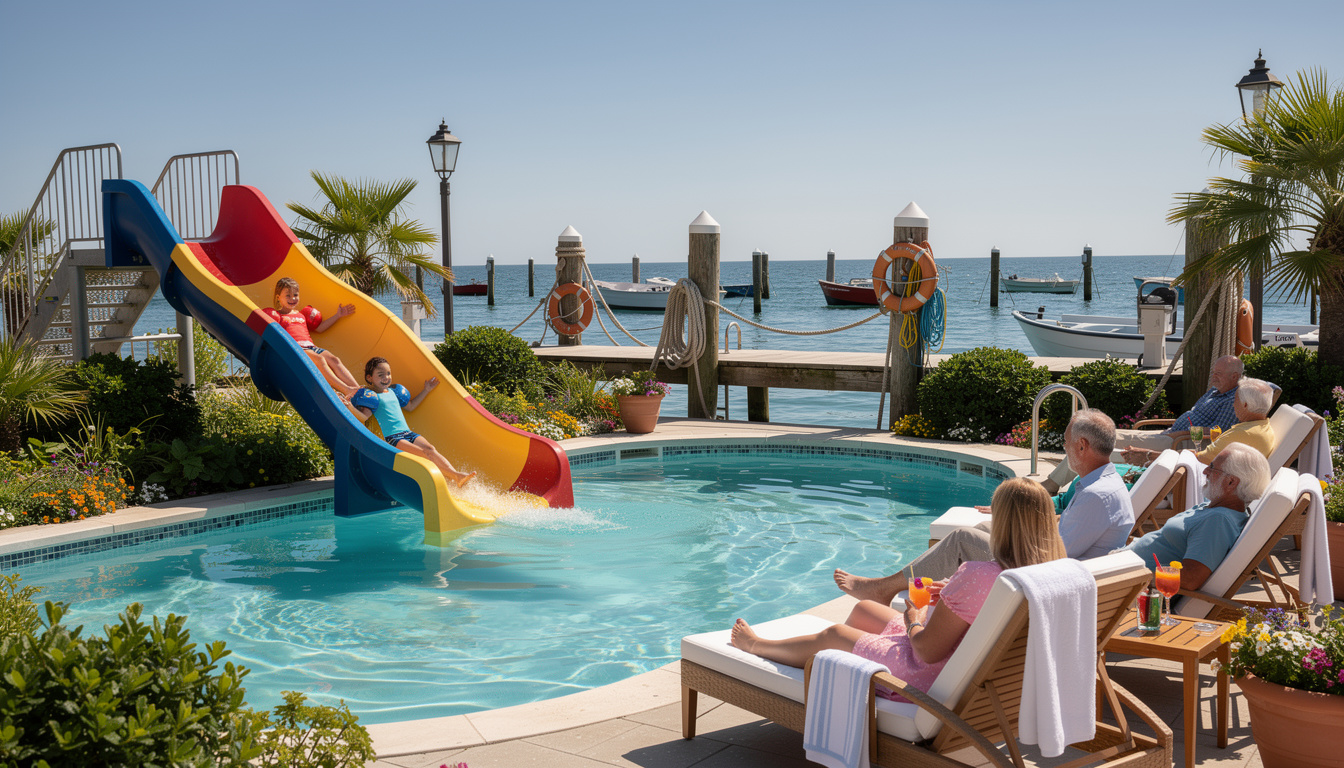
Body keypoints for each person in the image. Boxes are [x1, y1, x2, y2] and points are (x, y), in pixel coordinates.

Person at [731, 478, 1066, 699]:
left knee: (833, 634)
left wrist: (913, 616)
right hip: (976, 666)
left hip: (930, 677)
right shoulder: (1051, 572)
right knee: (864, 609)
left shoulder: (980, 575)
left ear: (1003, 523)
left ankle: (757, 645)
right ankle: (843, 681)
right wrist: (950, 592)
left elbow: (926, 650)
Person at [834, 409, 1133, 605]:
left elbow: (1056, 554)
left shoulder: (1096, 495)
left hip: (1045, 581)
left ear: (1082, 446)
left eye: (1066, 443)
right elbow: (1067, 538)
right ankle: (948, 590)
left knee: (961, 539)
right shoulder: (1102, 484)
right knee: (981, 530)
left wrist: (1025, 526)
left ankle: (883, 590)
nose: (1063, 449)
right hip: (1059, 572)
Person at [1043, 355, 1246, 492]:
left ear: (1235, 377)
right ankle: (1057, 481)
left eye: (1219, 373)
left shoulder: (1232, 400)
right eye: (1214, 372)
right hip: (1172, 434)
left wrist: (1177, 434)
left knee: (1095, 446)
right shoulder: (1215, 391)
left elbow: (1217, 433)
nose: (1214, 376)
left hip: (1180, 444)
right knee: (1103, 434)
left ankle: (1052, 484)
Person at [1124, 442, 1271, 590]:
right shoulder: (1215, 506)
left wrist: (1134, 576)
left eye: (1212, 468)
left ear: (1231, 482)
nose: (1205, 471)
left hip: (1127, 584)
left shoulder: (1218, 521)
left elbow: (1190, 578)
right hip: (1125, 563)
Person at [340, 357, 476, 488]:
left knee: (430, 449)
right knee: (424, 454)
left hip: (408, 433)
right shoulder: (371, 396)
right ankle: (455, 477)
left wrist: (426, 390)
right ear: (369, 378)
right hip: (393, 438)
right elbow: (364, 417)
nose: (386, 377)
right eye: (381, 375)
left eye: (388, 373)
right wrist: (349, 407)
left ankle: (455, 475)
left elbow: (410, 406)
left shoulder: (394, 392)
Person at [1120, 377, 1276, 468]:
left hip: (1190, 472)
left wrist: (1148, 455)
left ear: (1245, 405)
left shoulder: (1243, 434)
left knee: (1116, 452)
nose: (1233, 404)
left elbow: (1199, 459)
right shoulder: (1261, 427)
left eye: (1235, 401)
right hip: (1188, 452)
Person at [263, 277, 360, 396]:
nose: (292, 298)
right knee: (320, 360)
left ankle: (357, 388)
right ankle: (346, 389)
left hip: (311, 347)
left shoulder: (302, 315)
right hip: (296, 349)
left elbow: (319, 328)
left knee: (334, 360)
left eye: (295, 295)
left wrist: (338, 315)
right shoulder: (278, 316)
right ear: (278, 297)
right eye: (288, 295)